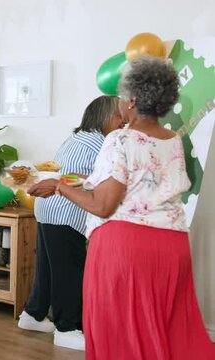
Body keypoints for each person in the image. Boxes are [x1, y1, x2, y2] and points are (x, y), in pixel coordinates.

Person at [29, 56, 215, 359]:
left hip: (127, 250)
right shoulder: (173, 140)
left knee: (121, 332)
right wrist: (80, 182)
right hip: (172, 247)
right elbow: (142, 182)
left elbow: (103, 205)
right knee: (165, 329)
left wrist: (59, 187)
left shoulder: (120, 139)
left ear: (131, 100)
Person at [17, 95, 124, 351]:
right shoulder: (103, 142)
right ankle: (67, 327)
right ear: (107, 117)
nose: (124, 122)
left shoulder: (76, 138)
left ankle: (33, 314)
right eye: (120, 116)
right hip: (66, 212)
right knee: (70, 271)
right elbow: (106, 178)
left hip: (48, 209)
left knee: (48, 268)